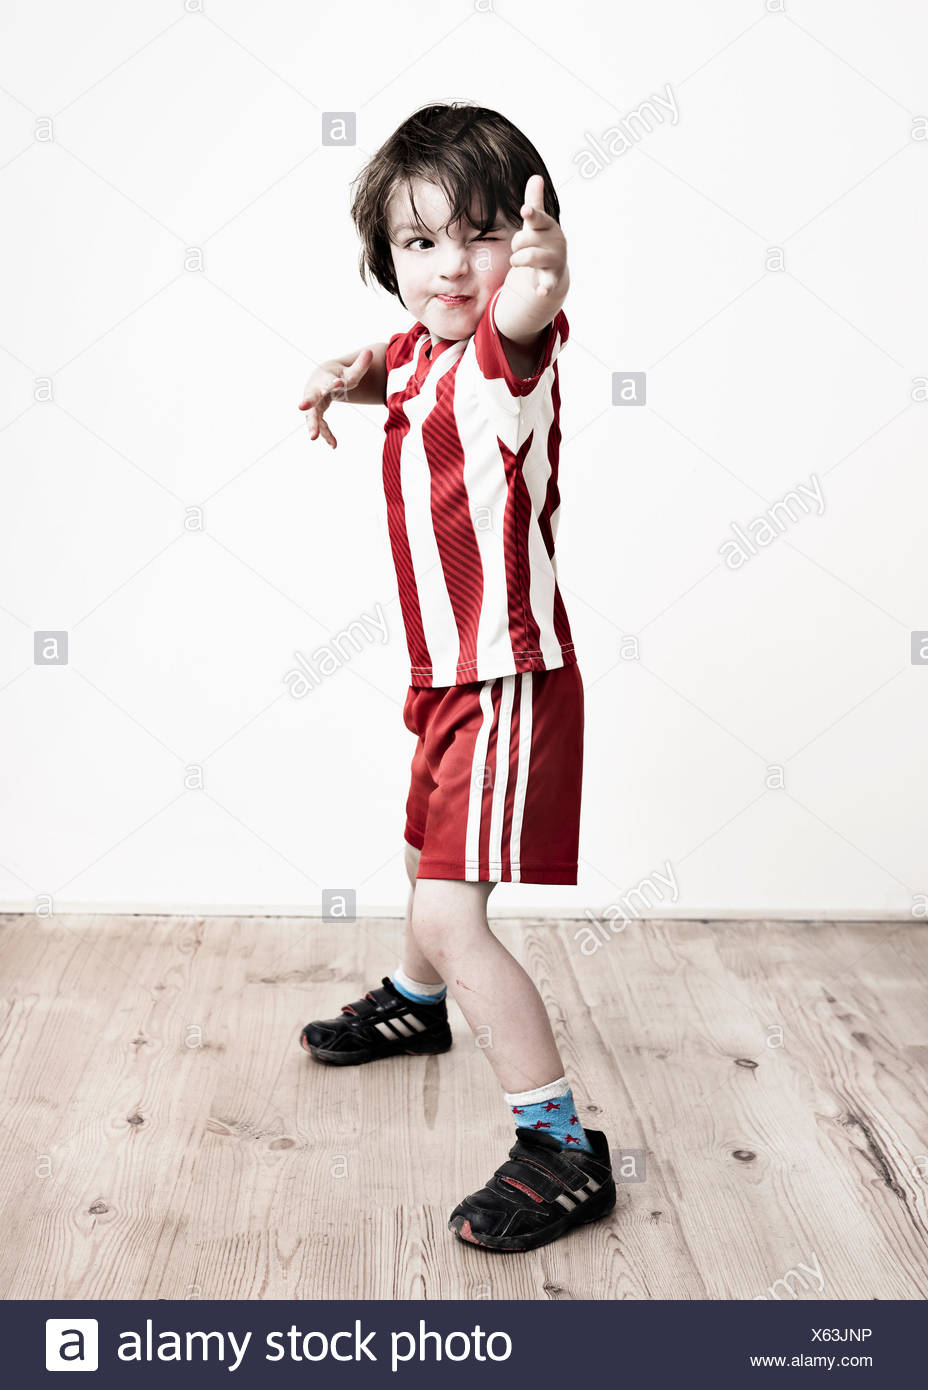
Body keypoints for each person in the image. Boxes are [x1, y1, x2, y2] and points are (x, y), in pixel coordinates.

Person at [296, 102, 615, 1252]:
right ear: (389, 257)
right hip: (446, 673)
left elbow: (517, 314)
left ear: (520, 242)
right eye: (421, 242)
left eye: (482, 235)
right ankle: (417, 1003)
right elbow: (411, 357)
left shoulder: (505, 342)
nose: (453, 265)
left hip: (503, 675)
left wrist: (541, 268)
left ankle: (560, 1143)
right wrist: (354, 371)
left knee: (451, 901)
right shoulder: (430, 347)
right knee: (426, 842)